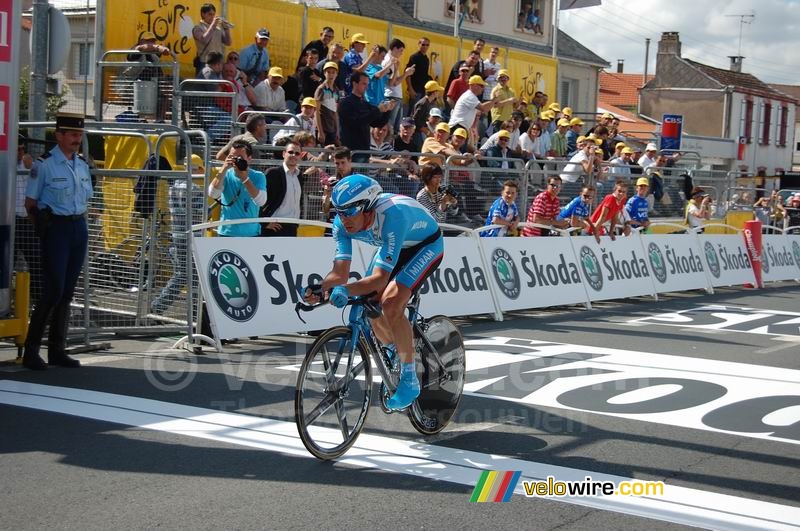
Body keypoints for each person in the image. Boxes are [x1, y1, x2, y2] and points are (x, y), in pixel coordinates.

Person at [304, 174, 444, 410]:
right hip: (395, 245)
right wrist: (321, 287)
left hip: (426, 246)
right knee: (368, 302)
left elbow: (379, 280)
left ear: (367, 208)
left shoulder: (392, 216)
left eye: (349, 212)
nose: (343, 218)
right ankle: (393, 347)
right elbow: (339, 273)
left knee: (390, 303)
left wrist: (345, 290)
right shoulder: (342, 224)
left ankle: (410, 379)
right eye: (338, 211)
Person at [22, 113, 92, 370]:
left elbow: (85, 198)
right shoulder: (44, 165)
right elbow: (30, 203)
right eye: (73, 135)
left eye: (80, 135)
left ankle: (57, 350)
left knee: (67, 292)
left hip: (78, 226)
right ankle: (31, 351)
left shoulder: (81, 164)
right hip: (57, 229)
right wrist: (44, 229)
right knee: (52, 291)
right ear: (58, 135)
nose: (77, 140)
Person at [150, 155, 206, 315]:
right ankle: (195, 313)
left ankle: (196, 312)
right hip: (192, 236)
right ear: (196, 169)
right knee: (189, 276)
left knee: (186, 274)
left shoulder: (174, 185)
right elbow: (201, 213)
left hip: (178, 233)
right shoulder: (194, 189)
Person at [207, 140, 267, 237]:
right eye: (232, 157)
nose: (236, 160)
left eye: (240, 158)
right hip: (227, 232)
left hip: (250, 234)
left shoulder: (258, 176)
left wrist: (244, 178)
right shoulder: (225, 174)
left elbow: (261, 201)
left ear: (249, 159)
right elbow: (212, 194)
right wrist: (224, 167)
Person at [338, 71, 396, 160]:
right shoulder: (346, 103)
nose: (366, 87)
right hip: (351, 152)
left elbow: (378, 123)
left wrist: (387, 110)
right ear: (354, 83)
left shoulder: (365, 104)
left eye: (367, 84)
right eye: (364, 84)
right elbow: (356, 122)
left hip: (364, 151)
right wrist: (378, 110)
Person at [14, 136, 39, 303]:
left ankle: (37, 301)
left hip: (26, 221)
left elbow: (37, 178)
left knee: (36, 260)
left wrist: (31, 166)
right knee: (6, 263)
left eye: (23, 149)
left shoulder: (26, 164)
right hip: (9, 222)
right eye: (17, 149)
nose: (21, 152)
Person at [260, 142, 303, 236]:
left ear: (300, 156)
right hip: (275, 227)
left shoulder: (299, 176)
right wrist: (264, 223)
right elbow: (258, 198)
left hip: (292, 227)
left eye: (297, 153)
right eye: (290, 152)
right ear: (284, 154)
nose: (293, 155)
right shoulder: (272, 173)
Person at [448, 75, 499, 140]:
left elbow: (484, 110)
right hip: (457, 126)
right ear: (475, 86)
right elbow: (484, 108)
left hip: (461, 127)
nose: (483, 88)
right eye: (481, 86)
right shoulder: (469, 96)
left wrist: (493, 102)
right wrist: (494, 100)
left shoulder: (471, 96)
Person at [192, 3, 232, 77]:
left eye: (213, 14)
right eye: (210, 14)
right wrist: (213, 25)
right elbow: (205, 40)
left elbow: (228, 42)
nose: (212, 17)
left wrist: (226, 29)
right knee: (203, 87)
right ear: (203, 14)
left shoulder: (217, 29)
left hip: (218, 64)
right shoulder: (197, 28)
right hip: (205, 63)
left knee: (216, 87)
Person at [314, 61, 341, 146]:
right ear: (324, 73)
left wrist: (337, 131)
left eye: (333, 72)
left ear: (337, 74)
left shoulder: (336, 90)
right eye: (328, 72)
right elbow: (316, 111)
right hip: (323, 128)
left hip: (332, 128)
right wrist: (320, 131)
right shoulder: (321, 89)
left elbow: (335, 112)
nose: (331, 75)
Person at [405, 37, 431, 108]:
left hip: (423, 90)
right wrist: (410, 89)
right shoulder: (414, 57)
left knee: (419, 111)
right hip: (415, 90)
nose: (425, 47)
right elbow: (407, 74)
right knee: (412, 112)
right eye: (423, 44)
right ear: (419, 44)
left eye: (427, 45)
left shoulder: (426, 59)